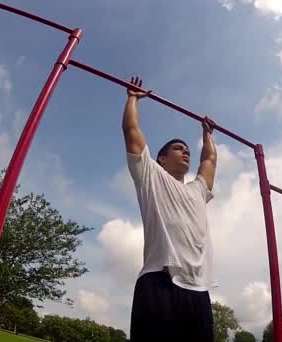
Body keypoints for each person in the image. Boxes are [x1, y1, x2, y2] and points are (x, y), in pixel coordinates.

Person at [122, 76, 218, 342]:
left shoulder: (198, 189)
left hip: (197, 289)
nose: (185, 152)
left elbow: (209, 159)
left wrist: (206, 134)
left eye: (188, 149)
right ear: (162, 159)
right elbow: (132, 132)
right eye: (179, 148)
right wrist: (132, 98)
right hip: (158, 281)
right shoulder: (152, 175)